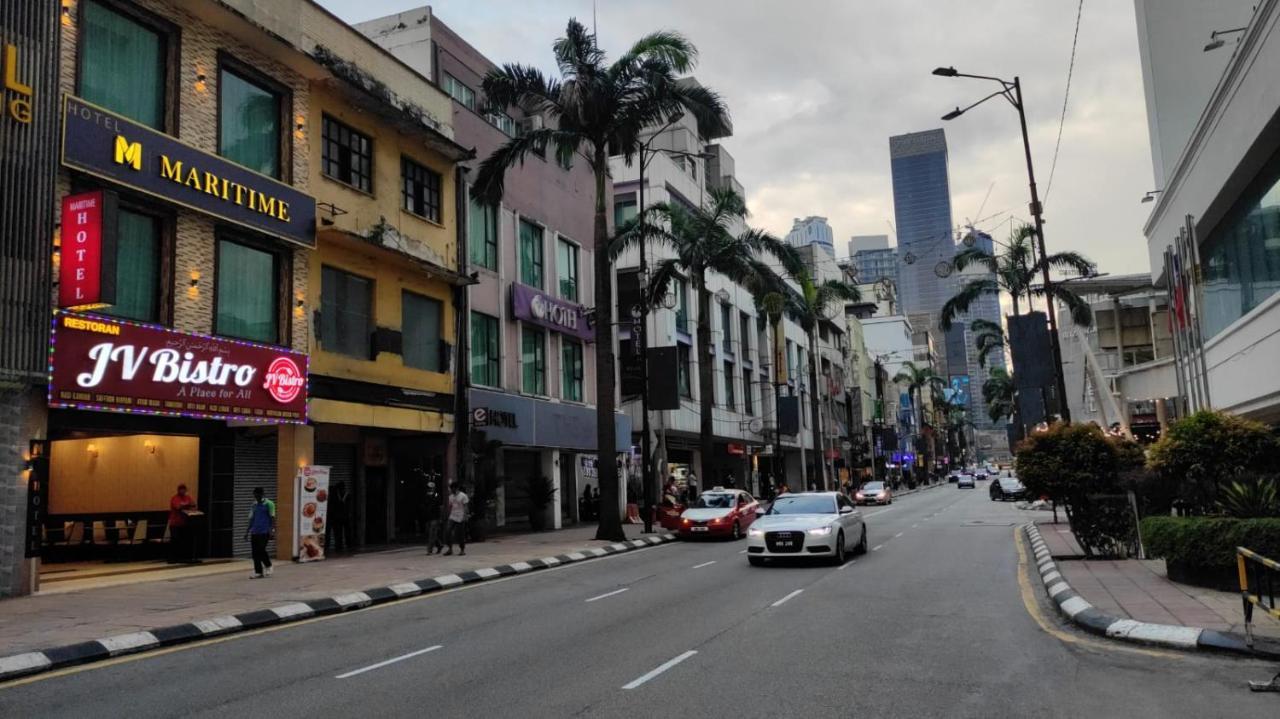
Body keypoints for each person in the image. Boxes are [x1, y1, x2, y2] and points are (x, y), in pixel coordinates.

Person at [244, 487, 275, 579]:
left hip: (265, 531)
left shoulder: (269, 504)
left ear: (262, 494)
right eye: (254, 495)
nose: (256, 497)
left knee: (261, 549)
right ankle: (258, 572)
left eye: (257, 495)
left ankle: (268, 565)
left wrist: (272, 530)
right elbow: (251, 519)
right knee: (255, 553)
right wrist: (247, 532)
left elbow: (272, 518)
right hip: (255, 531)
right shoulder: (254, 505)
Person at [167, 483, 197, 564]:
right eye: (181, 489)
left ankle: (183, 557)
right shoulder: (175, 498)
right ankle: (172, 558)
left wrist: (188, 505)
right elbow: (178, 507)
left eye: (184, 489)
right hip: (175, 524)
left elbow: (193, 504)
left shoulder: (187, 497)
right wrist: (187, 505)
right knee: (175, 541)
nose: (183, 491)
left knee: (183, 541)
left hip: (184, 523)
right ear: (178, 490)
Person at [444, 482, 469, 556]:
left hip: (460, 516)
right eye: (451, 488)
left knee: (460, 534)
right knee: (447, 531)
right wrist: (448, 515)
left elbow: (466, 506)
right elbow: (450, 506)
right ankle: (450, 549)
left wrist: (465, 516)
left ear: (456, 488)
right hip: (452, 516)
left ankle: (462, 549)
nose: (451, 490)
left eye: (452, 488)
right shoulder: (451, 497)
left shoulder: (463, 496)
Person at [327, 481, 350, 554]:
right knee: (341, 533)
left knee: (336, 533)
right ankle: (343, 545)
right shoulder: (346, 494)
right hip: (343, 517)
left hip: (335, 517)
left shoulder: (333, 494)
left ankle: (335, 546)